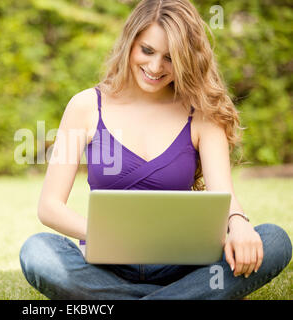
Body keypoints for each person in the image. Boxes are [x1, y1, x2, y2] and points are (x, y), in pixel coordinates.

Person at [19, 0, 292, 299]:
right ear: (130, 42)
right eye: (147, 51)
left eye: (170, 58)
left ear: (188, 59)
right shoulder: (86, 106)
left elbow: (224, 196)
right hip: (108, 267)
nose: (154, 67)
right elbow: (49, 207)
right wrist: (110, 237)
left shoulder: (201, 113)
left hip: (184, 266)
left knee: (274, 241)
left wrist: (239, 226)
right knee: (38, 251)